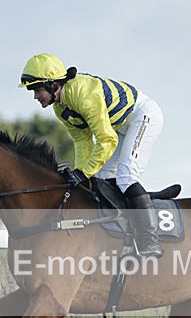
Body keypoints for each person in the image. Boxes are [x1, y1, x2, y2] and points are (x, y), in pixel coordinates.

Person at [19, 53, 164, 258]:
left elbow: (106, 139)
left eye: (37, 89)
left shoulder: (83, 94)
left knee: (127, 176)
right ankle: (124, 231)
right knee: (101, 178)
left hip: (142, 116)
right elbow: (82, 140)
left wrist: (84, 172)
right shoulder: (60, 108)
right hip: (120, 127)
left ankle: (150, 241)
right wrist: (81, 175)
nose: (35, 96)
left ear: (52, 84)